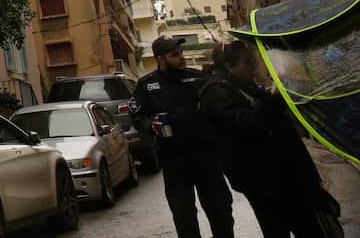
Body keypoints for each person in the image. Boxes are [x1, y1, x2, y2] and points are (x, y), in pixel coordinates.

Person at [200, 40, 336, 238]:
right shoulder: (217, 92)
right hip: (262, 180)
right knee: (280, 228)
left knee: (305, 225)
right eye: (247, 63)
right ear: (229, 66)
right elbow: (247, 123)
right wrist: (276, 99)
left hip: (281, 174)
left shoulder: (244, 86)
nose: (253, 68)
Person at [131, 35, 235, 238]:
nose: (181, 58)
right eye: (175, 54)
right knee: (184, 216)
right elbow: (137, 116)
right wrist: (150, 124)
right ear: (161, 59)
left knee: (220, 210)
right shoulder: (146, 85)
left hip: (206, 159)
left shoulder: (197, 78)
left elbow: (217, 108)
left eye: (181, 53)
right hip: (174, 162)